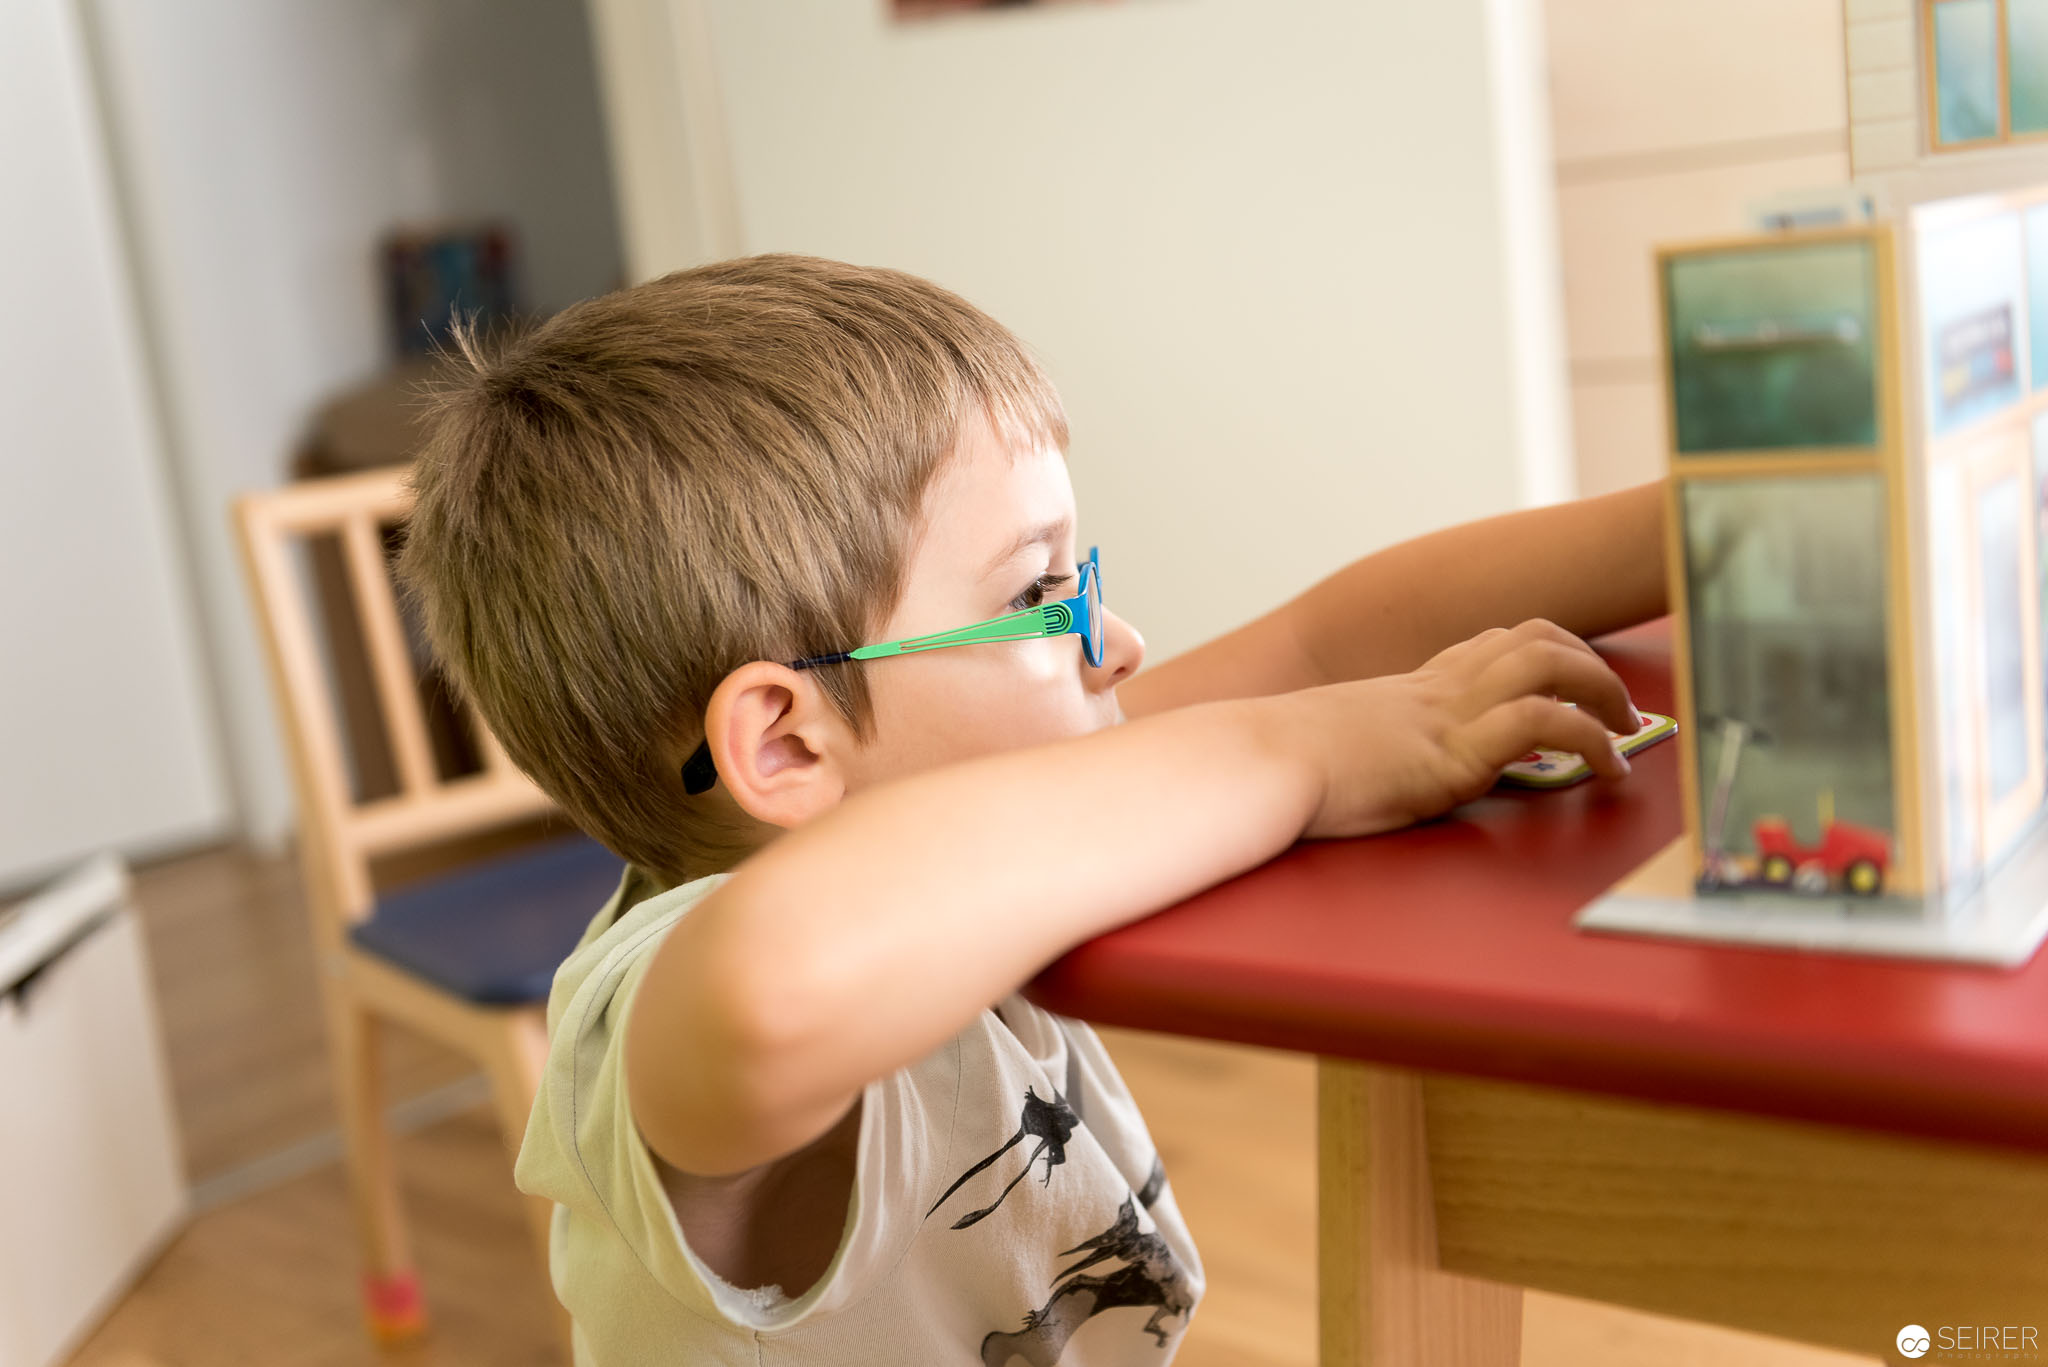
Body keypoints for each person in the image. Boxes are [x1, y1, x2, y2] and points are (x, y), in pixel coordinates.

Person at [397, 254, 1663, 1365]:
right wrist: (1301, 756)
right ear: (786, 742)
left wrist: (1710, 522)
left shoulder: (985, 803)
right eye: (1042, 593)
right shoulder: (665, 998)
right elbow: (773, 980)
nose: (1115, 639)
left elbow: (1328, 641)